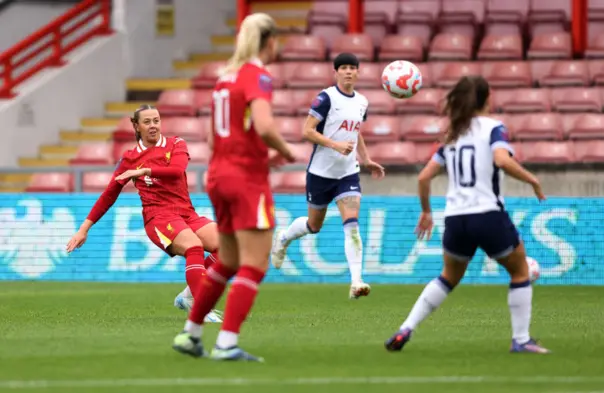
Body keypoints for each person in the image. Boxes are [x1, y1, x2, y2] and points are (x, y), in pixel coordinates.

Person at [384, 76, 551, 354]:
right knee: (520, 270)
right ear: (488, 99)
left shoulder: (452, 135)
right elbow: (501, 159)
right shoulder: (494, 128)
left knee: (448, 276)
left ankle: (406, 327)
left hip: (455, 218)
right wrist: (531, 179)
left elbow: (424, 177)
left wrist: (427, 210)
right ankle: (521, 340)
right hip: (486, 213)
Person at [171, 12, 298, 362]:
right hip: (246, 180)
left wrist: (251, 156)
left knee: (227, 260)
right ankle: (226, 343)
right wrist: (285, 150)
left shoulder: (224, 79)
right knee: (255, 264)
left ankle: (190, 334)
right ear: (269, 41)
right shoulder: (258, 76)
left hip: (219, 176)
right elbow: (264, 124)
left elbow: (214, 137)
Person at [66, 105, 223, 323]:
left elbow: (177, 170)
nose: (153, 126)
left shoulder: (176, 143)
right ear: (136, 126)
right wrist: (84, 229)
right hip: (159, 218)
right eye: (147, 122)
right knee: (193, 246)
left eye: (156, 121)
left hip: (186, 213)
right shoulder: (129, 158)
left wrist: (145, 171)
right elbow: (109, 195)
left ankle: (187, 297)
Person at [269, 52, 385, 299]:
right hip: (321, 173)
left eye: (352, 67)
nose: (348, 71)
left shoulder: (362, 102)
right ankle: (284, 237)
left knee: (351, 226)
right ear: (336, 72)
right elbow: (307, 131)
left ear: (358, 72)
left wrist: (366, 160)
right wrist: (334, 144)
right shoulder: (325, 98)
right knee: (314, 225)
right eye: (343, 67)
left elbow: (356, 132)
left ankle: (356, 282)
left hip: (347, 173)